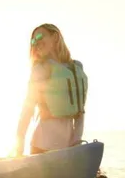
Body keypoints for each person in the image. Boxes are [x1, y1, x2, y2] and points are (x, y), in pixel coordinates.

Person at [13, 24, 88, 156]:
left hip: (69, 147)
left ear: (55, 37)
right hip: (42, 147)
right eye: (33, 40)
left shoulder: (77, 67)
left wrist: (76, 142)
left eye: (40, 36)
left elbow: (80, 112)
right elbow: (27, 109)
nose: (36, 42)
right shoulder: (40, 69)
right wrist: (19, 147)